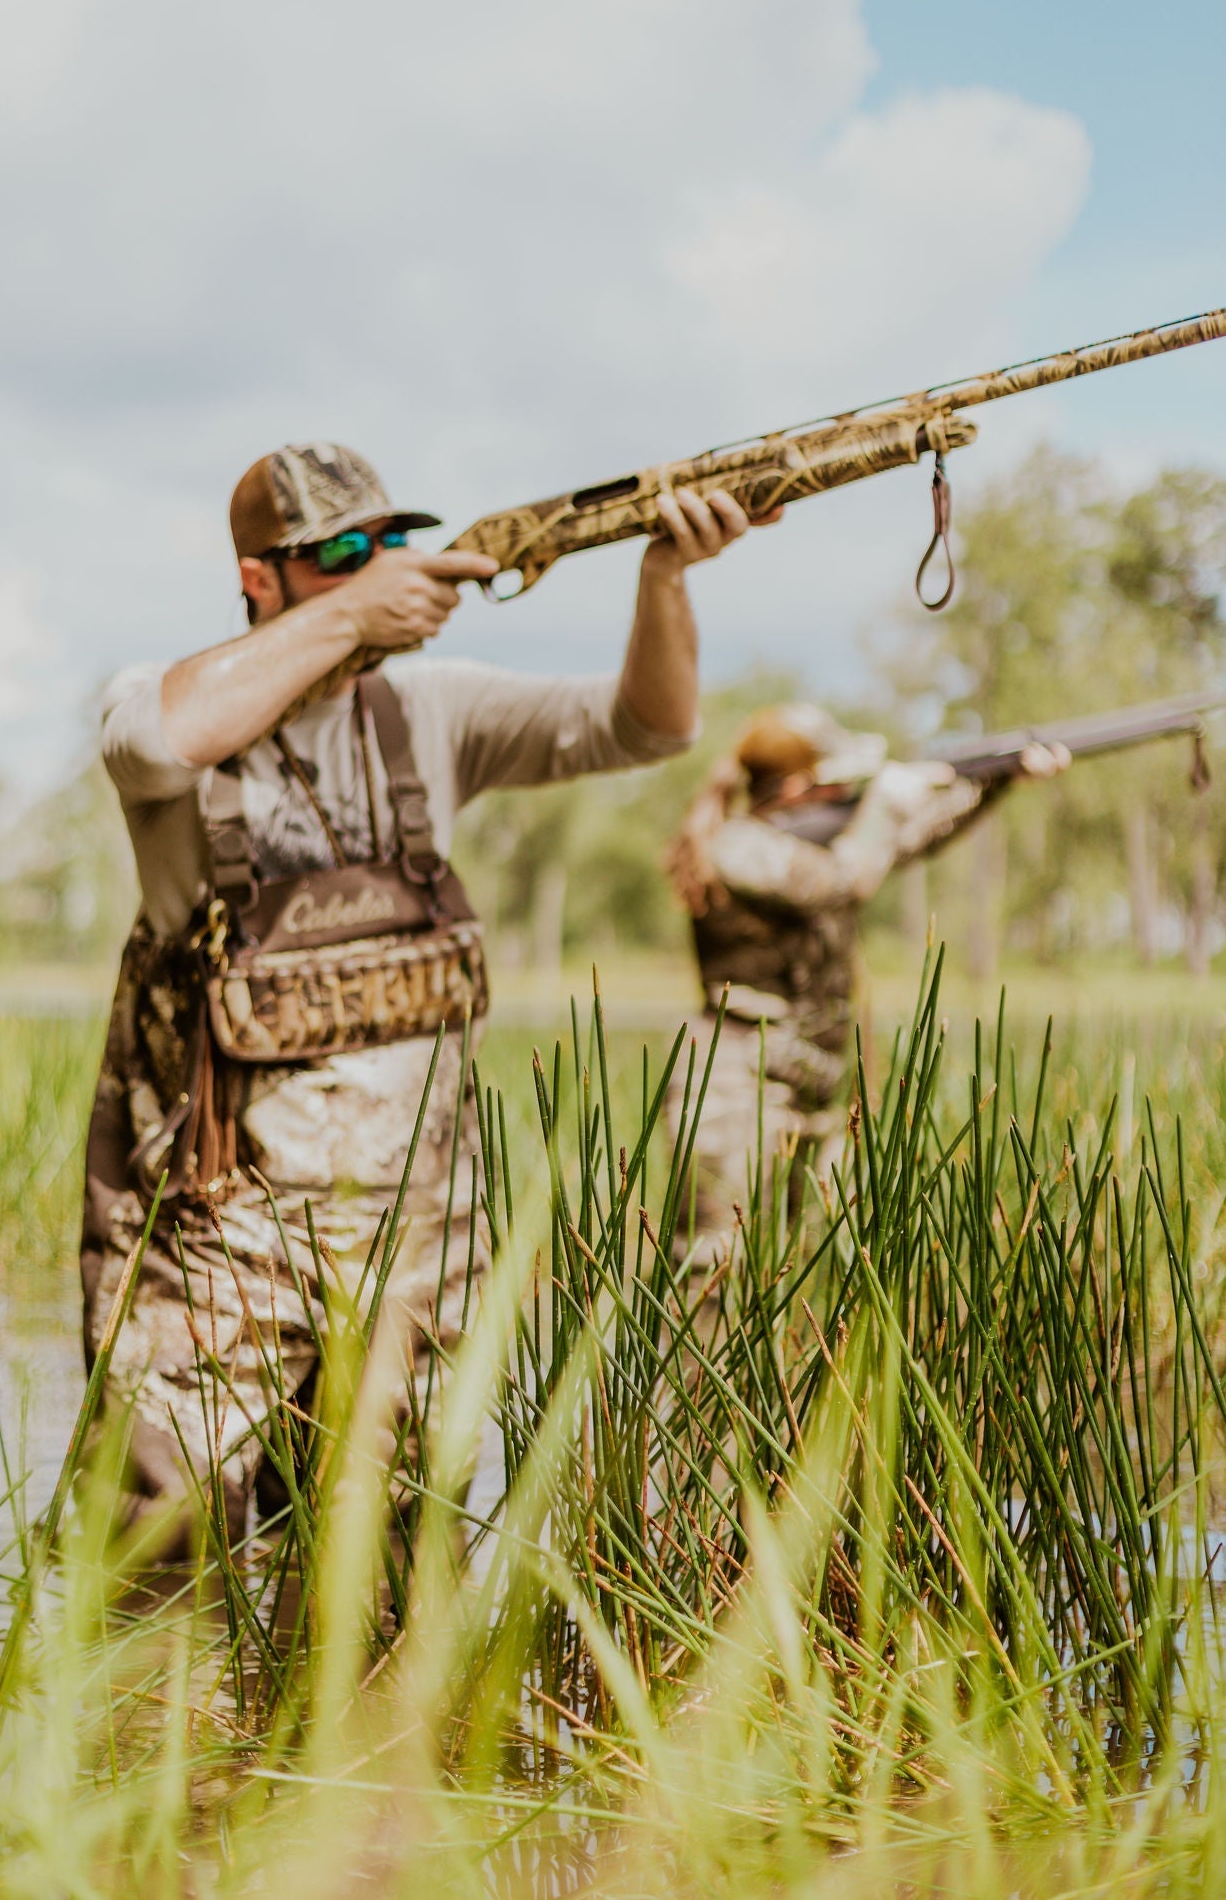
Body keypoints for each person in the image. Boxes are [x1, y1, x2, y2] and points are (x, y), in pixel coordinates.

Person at [84, 439, 776, 1546]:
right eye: (338, 553)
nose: (376, 569)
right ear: (258, 578)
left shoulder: (430, 711)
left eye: (390, 544)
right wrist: (359, 614)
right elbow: (162, 739)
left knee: (395, 1560)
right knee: (156, 1552)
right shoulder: (165, 701)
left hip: (416, 1236)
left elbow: (651, 724)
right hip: (216, 1230)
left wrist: (664, 577)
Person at [664, 702, 1069, 1262]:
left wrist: (998, 779)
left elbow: (914, 838)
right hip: (735, 1094)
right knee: (715, 1272)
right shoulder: (738, 846)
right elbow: (844, 881)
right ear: (802, 783)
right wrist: (883, 803)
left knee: (796, 1270)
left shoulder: (823, 841)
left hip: (811, 1089)